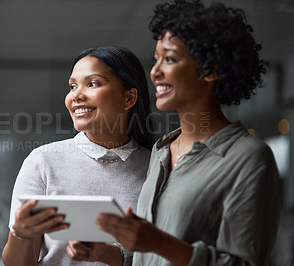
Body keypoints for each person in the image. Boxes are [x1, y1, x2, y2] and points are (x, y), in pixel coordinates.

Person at [84, 1, 281, 265]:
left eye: (170, 59)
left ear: (210, 70)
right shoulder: (161, 149)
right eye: (156, 59)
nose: (155, 72)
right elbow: (152, 256)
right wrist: (109, 253)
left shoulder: (249, 158)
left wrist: (157, 242)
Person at [2, 46, 155, 265]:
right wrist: (20, 234)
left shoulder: (156, 166)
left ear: (129, 98)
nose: (77, 95)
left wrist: (114, 255)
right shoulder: (43, 161)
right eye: (73, 86)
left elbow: (164, 255)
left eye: (93, 83)